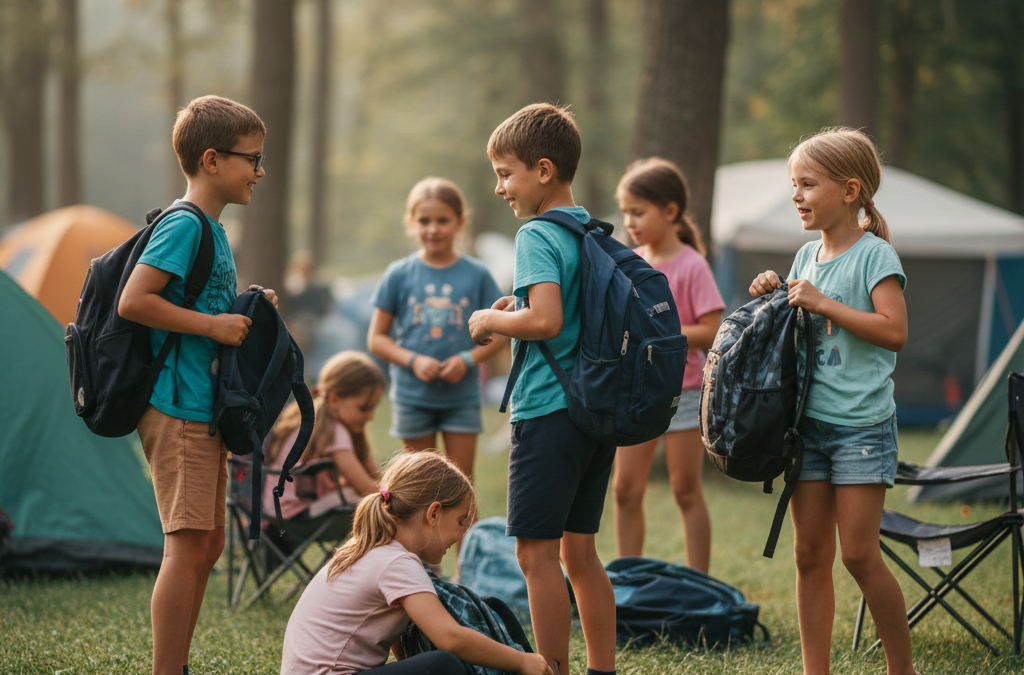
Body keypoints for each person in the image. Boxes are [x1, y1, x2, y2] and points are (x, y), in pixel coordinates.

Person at [748, 127, 918, 675]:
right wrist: (774, 291)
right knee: (809, 556)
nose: (796, 195)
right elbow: (794, 330)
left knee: (860, 556)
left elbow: (894, 332)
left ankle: (902, 670)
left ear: (849, 190)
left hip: (861, 430)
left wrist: (822, 302)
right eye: (793, 184)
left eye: (806, 184)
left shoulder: (875, 256)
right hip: (808, 429)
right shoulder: (806, 254)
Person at [117, 95, 272, 675]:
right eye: (251, 160)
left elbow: (196, 303)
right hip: (176, 405)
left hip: (204, 406)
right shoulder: (184, 225)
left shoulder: (212, 229)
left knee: (208, 545)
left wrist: (243, 308)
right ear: (212, 159)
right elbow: (137, 300)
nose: (258, 172)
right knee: (187, 545)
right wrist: (213, 324)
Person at [468, 103, 617, 675]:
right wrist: (519, 308)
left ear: (544, 170)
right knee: (580, 553)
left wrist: (489, 319)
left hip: (548, 410)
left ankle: (551, 668)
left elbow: (547, 322)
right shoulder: (589, 230)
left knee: (535, 554)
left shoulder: (534, 234)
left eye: (506, 173)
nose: (500, 187)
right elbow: (565, 311)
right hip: (593, 411)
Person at [280, 451, 554, 675]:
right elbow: (451, 638)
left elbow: (399, 641)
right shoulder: (397, 562)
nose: (462, 534)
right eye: (460, 522)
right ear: (434, 513)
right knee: (443, 665)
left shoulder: (371, 549)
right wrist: (521, 661)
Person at [611, 158, 724, 572]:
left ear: (671, 212)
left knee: (685, 490)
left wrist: (659, 338)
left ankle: (699, 582)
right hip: (637, 397)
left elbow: (713, 329)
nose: (629, 222)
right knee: (624, 490)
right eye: (625, 212)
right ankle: (628, 579)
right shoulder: (630, 262)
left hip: (683, 393)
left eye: (638, 212)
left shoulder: (693, 265)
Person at [368, 177, 507, 485]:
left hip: (462, 397)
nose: (433, 229)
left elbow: (501, 334)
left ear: (460, 222)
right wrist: (413, 360)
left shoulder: (478, 275)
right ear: (411, 223)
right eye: (425, 221)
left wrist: (467, 360)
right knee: (420, 486)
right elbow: (376, 339)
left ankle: (463, 536)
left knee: (460, 485)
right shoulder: (399, 274)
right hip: (412, 396)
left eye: (442, 220)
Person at [263, 351, 385, 520]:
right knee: (373, 499)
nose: (371, 416)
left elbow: (373, 475)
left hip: (276, 506)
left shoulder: (314, 421)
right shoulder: (334, 432)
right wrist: (402, 498)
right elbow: (366, 487)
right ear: (334, 399)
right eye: (364, 408)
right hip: (294, 510)